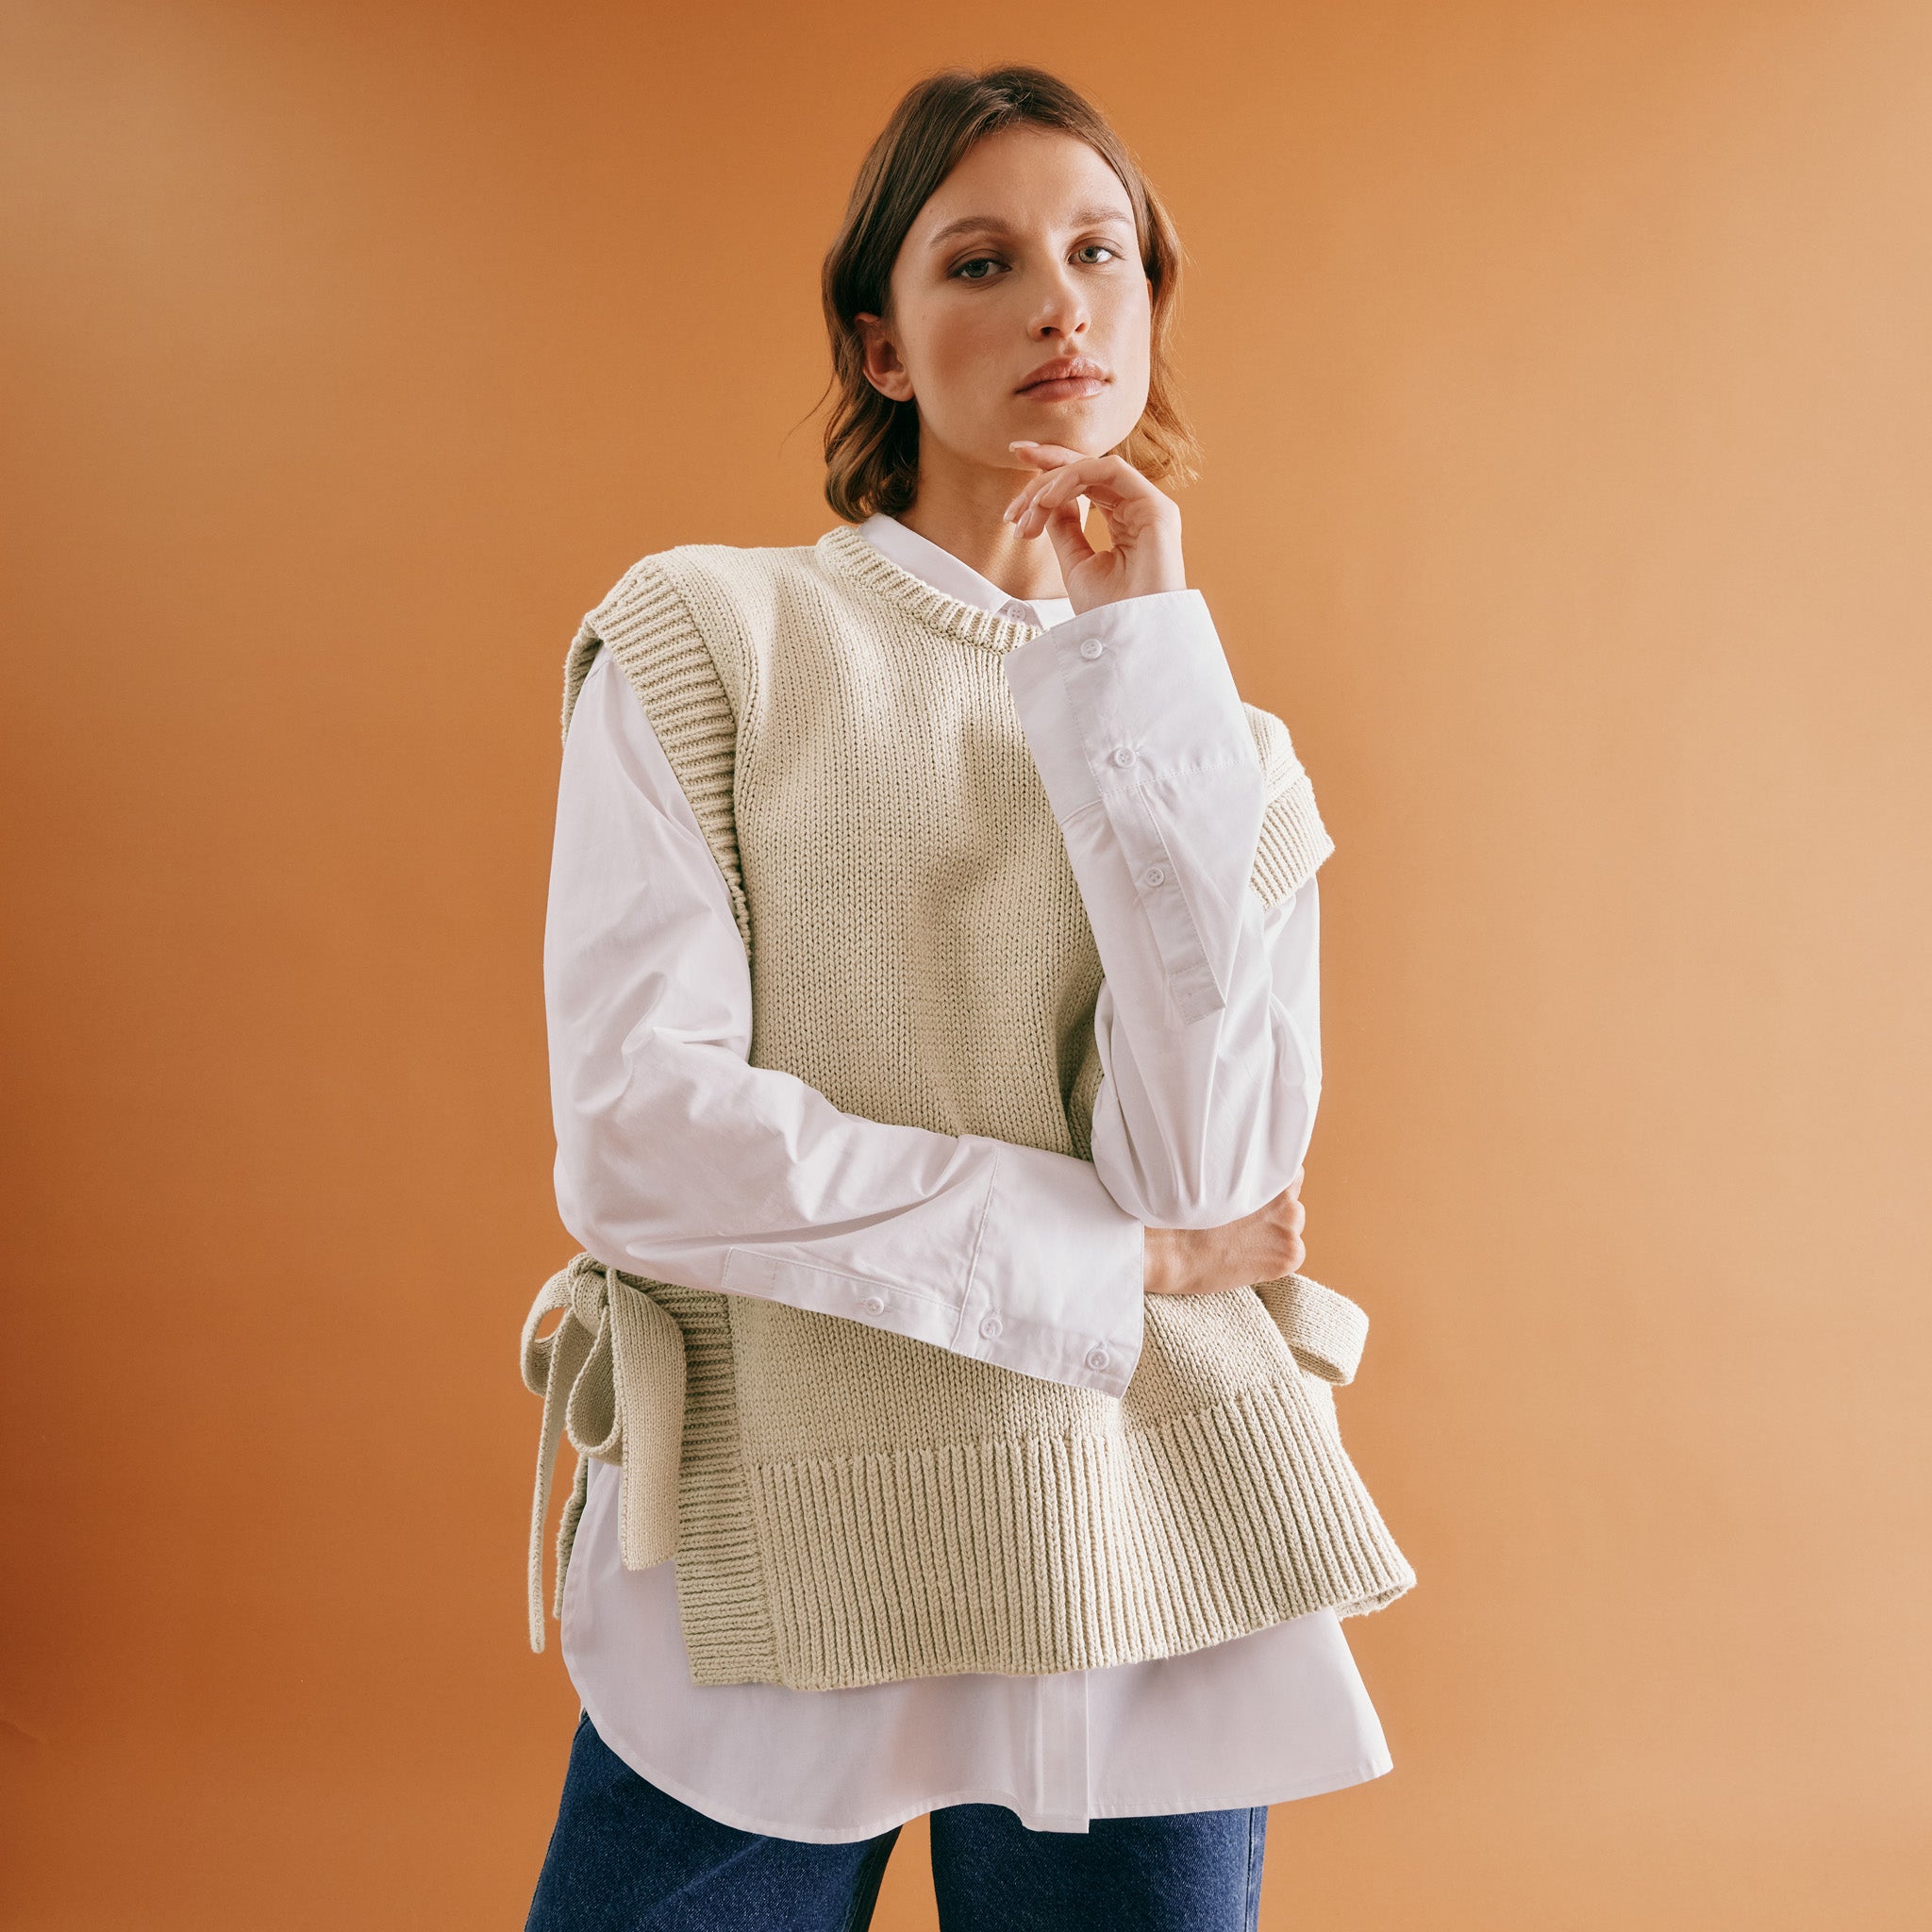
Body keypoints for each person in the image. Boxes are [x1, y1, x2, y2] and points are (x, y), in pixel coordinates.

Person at [519, 61, 1414, 1932]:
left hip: (1147, 1555)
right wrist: (1118, 1263)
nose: (1059, 305)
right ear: (881, 346)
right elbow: (638, 1137)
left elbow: (1207, 1170)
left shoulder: (1221, 744)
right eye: (983, 260)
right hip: (773, 1549)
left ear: (1149, 308)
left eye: (1101, 255)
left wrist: (1140, 663)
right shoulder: (709, 636)